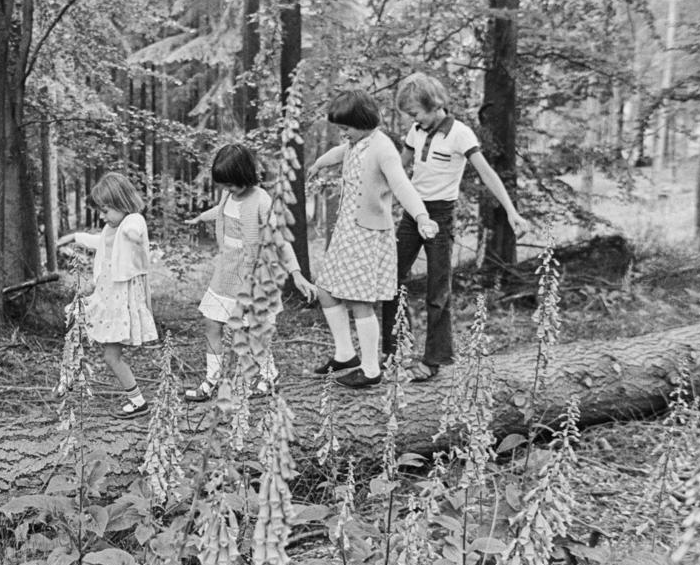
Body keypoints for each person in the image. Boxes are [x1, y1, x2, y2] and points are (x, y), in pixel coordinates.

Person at [381, 72, 531, 381]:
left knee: (438, 288)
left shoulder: (460, 134)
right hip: (413, 212)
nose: (414, 120)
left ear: (434, 104)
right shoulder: (416, 130)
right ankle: (398, 350)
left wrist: (512, 212)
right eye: (410, 116)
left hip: (440, 214)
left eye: (416, 113)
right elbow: (397, 168)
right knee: (389, 278)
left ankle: (433, 359)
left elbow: (488, 174)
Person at [302, 90, 438, 388]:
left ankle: (371, 369)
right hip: (347, 231)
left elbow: (402, 186)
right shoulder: (356, 142)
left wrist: (422, 216)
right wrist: (320, 163)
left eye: (346, 128)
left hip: (368, 234)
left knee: (359, 300)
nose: (343, 134)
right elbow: (341, 152)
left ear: (363, 122)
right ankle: (345, 353)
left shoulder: (383, 149)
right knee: (326, 289)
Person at [183, 144, 317, 401]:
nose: (227, 190)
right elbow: (223, 212)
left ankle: (269, 374)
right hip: (227, 270)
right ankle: (212, 379)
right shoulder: (228, 195)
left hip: (254, 274)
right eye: (223, 186)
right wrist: (202, 218)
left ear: (245, 176)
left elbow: (279, 239)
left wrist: (296, 273)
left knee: (253, 329)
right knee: (212, 321)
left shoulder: (261, 200)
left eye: (231, 185)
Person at [57, 172, 158, 418]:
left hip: (119, 299)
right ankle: (70, 374)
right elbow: (99, 241)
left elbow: (135, 229)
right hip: (106, 295)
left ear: (122, 203)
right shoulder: (111, 227)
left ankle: (137, 402)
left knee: (111, 355)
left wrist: (132, 235)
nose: (103, 217)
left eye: (106, 210)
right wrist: (74, 237)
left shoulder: (133, 220)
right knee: (77, 326)